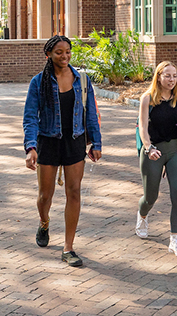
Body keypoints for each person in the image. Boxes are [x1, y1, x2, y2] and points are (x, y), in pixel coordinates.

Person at [22, 35, 103, 268]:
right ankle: (44, 222)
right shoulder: (39, 82)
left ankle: (68, 248)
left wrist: (96, 143)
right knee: (45, 196)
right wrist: (31, 147)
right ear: (49, 55)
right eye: (59, 52)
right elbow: (30, 117)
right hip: (48, 141)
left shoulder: (82, 80)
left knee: (74, 192)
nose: (64, 56)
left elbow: (91, 114)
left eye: (67, 51)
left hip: (75, 141)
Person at [136, 61, 177, 258]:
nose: (172, 80)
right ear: (158, 77)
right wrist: (148, 148)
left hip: (175, 150)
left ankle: (175, 239)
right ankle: (142, 214)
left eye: (175, 76)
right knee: (150, 197)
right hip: (154, 150)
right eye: (167, 76)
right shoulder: (147, 99)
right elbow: (142, 129)